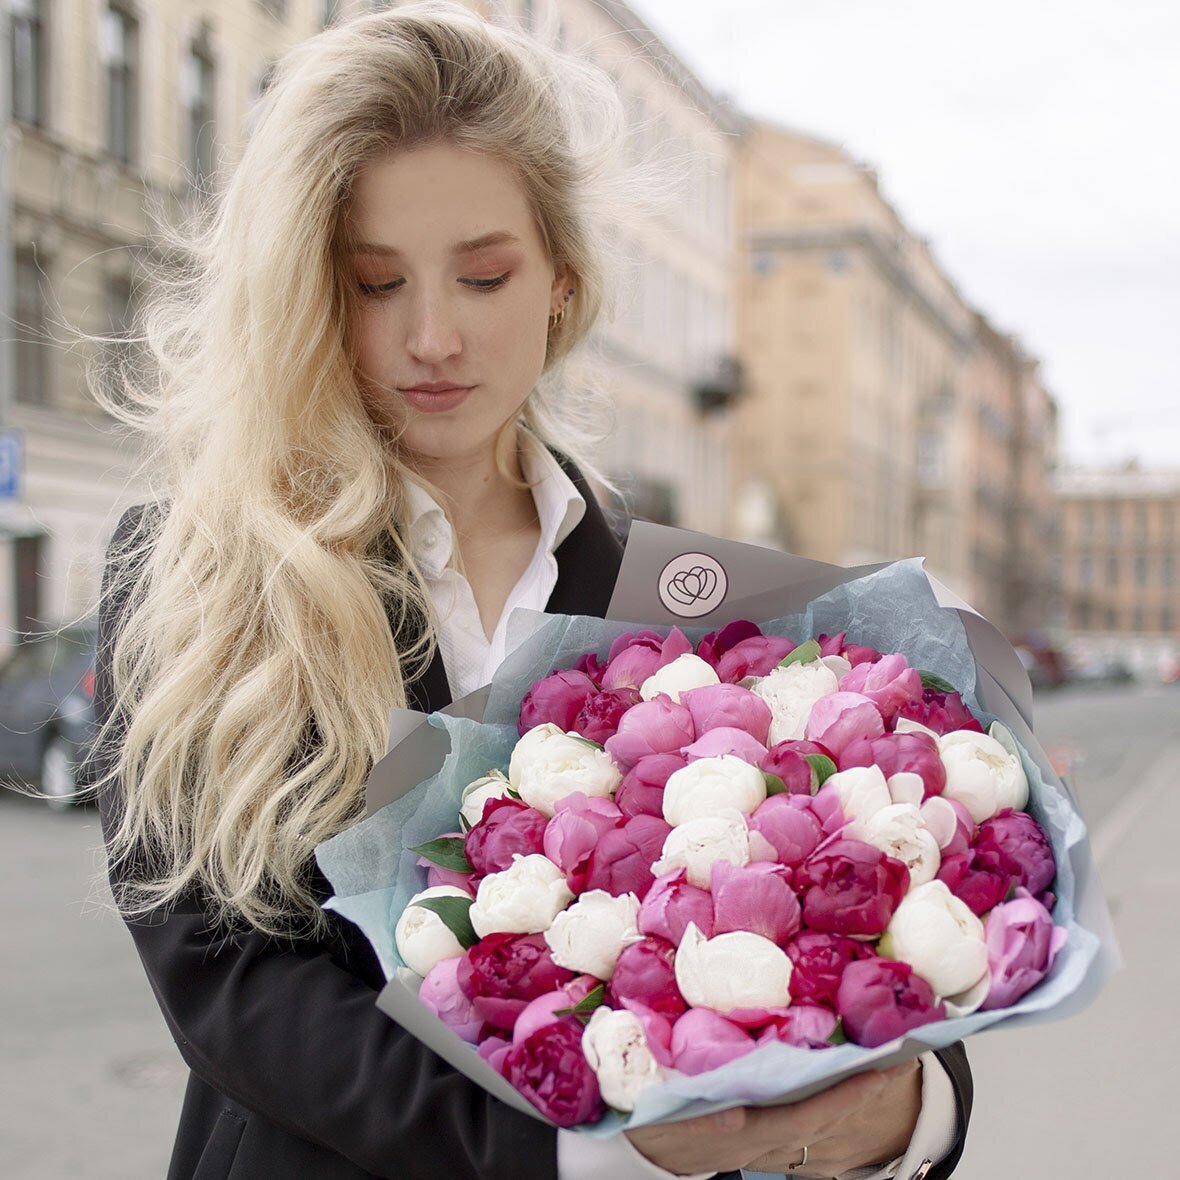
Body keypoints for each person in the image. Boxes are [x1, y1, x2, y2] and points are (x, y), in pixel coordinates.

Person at [88, 5, 971, 1179]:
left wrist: (903, 1114)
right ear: (301, 289)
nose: (434, 335)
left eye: (484, 273)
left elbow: (849, 911)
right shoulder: (196, 573)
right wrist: (574, 1152)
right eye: (372, 282)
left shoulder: (693, 597)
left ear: (560, 277)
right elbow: (231, 984)